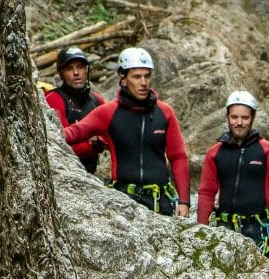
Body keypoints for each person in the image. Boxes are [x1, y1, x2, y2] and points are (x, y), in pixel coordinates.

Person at [62, 47, 189, 216]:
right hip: (124, 200)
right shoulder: (108, 112)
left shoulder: (165, 113)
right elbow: (74, 133)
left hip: (160, 201)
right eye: (136, 77)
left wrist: (184, 201)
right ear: (123, 79)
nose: (143, 82)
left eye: (147, 76)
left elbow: (178, 156)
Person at [196, 91, 269, 257]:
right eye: (234, 117)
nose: (239, 122)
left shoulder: (267, 150)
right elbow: (206, 193)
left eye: (245, 118)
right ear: (227, 117)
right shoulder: (215, 153)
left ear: (252, 118)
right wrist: (201, 230)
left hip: (258, 227)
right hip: (224, 226)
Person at [44, 47, 107, 174]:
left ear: (87, 70)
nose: (76, 73)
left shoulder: (96, 100)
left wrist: (98, 141)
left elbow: (110, 135)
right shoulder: (54, 99)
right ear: (61, 74)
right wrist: (94, 145)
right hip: (65, 174)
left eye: (80, 67)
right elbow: (60, 144)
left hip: (92, 173)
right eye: (69, 69)